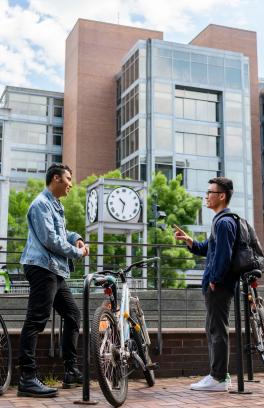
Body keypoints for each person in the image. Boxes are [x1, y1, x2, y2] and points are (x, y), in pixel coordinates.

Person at [18, 164, 89, 398]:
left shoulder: (55, 205)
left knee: (72, 315)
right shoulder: (40, 204)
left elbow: (60, 234)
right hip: (42, 267)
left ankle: (70, 371)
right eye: (68, 178)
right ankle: (27, 379)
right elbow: (50, 240)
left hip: (55, 270)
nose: (71, 183)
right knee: (37, 320)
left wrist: (76, 238)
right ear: (56, 178)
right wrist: (77, 252)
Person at [174, 177, 237, 392]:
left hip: (218, 286)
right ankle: (219, 375)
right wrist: (189, 241)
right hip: (217, 285)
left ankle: (218, 378)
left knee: (217, 330)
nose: (206, 196)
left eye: (210, 192)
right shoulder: (220, 221)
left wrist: (214, 280)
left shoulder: (224, 223)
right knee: (213, 329)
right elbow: (208, 249)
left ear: (221, 196)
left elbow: (224, 257)